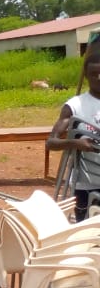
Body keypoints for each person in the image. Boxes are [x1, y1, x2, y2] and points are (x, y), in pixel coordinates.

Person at [46, 40, 100, 222]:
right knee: (88, 235)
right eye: (94, 74)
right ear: (86, 75)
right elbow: (51, 143)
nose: (99, 78)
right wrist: (75, 143)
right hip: (86, 184)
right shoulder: (74, 106)